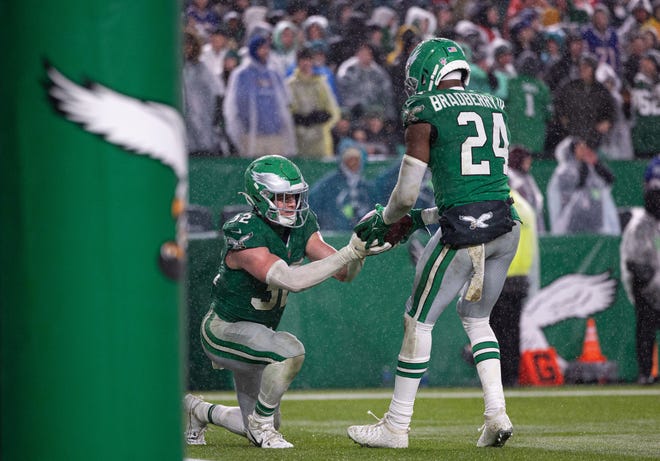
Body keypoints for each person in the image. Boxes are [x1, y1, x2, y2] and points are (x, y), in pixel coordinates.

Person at [346, 38, 521, 449]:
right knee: (478, 319)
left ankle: (396, 426)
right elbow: (478, 185)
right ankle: (497, 413)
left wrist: (389, 220)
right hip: (505, 224)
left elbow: (406, 194)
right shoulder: (492, 103)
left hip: (464, 230)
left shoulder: (423, 109)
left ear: (426, 74)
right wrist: (419, 220)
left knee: (418, 319)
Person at [183, 155, 383, 449]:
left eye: (295, 197)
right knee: (289, 350)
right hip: (224, 329)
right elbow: (291, 280)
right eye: (282, 198)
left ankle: (197, 410)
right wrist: (349, 252)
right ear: (259, 197)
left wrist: (361, 249)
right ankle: (263, 427)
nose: (291, 205)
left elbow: (342, 272)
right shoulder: (244, 231)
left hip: (258, 337)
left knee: (259, 421)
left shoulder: (301, 226)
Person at [620, 155, 660, 385]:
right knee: (646, 329)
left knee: (645, 330)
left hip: (652, 281)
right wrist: (652, 284)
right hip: (647, 288)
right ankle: (645, 372)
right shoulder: (641, 225)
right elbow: (634, 263)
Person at [223, 34, 296, 158]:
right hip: (252, 136)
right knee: (255, 174)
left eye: (267, 48)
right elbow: (236, 105)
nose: (265, 52)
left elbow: (285, 101)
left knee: (275, 174)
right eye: (261, 48)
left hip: (275, 135)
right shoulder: (242, 74)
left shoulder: (274, 74)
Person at [546, 136, 621, 235]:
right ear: (572, 150)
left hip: (593, 222)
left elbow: (608, 180)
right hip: (570, 224)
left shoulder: (589, 167)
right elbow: (574, 192)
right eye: (580, 148)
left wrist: (596, 163)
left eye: (584, 147)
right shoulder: (565, 171)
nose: (584, 151)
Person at [287, 46, 340, 159]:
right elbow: (287, 111)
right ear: (298, 62)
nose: (305, 63)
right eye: (302, 60)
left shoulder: (321, 84)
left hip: (320, 138)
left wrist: (322, 117)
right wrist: (300, 120)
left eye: (308, 59)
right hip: (298, 139)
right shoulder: (290, 85)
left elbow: (333, 111)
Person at [308, 142, 376, 231]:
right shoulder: (329, 184)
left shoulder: (365, 185)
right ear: (344, 160)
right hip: (335, 234)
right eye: (350, 159)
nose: (354, 163)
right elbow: (312, 204)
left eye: (356, 159)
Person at [183, 32, 223, 156]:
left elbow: (218, 92)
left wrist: (216, 117)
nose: (186, 49)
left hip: (204, 127)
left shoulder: (202, 68)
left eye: (189, 45)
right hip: (181, 129)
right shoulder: (169, 68)